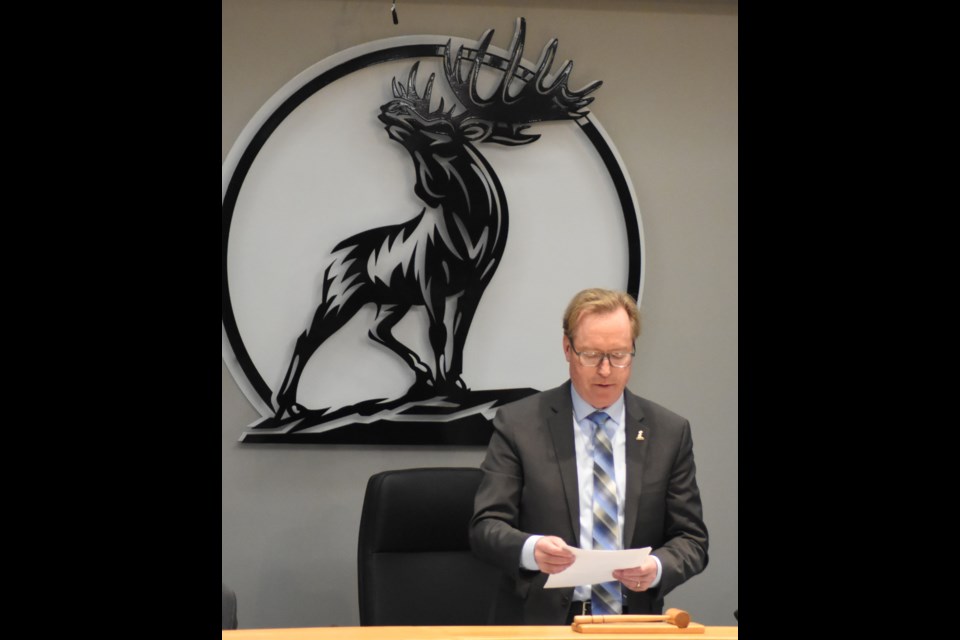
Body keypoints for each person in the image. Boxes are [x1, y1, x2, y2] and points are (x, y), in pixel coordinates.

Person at [470, 288, 708, 624]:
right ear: (568, 349)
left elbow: (692, 539)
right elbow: (485, 526)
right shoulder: (519, 425)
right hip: (544, 624)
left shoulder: (668, 432)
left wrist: (655, 568)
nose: (606, 370)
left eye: (619, 354)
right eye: (592, 354)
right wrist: (531, 551)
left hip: (633, 624)